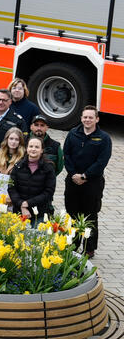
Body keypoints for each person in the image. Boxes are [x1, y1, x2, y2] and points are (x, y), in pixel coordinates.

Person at [63, 105, 111, 259]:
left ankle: (89, 248)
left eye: (91, 117)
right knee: (72, 214)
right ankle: (73, 244)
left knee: (90, 215)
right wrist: (74, 174)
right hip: (72, 181)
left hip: (92, 183)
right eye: (85, 117)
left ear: (97, 119)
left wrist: (85, 176)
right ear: (81, 118)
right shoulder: (72, 134)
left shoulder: (104, 138)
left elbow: (102, 161)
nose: (87, 120)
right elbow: (67, 155)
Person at [9, 136, 57, 227]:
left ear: (42, 150)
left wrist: (27, 204)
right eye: (31, 146)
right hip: (20, 212)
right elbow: (11, 188)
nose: (33, 149)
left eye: (37, 147)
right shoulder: (18, 166)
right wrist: (21, 205)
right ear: (26, 149)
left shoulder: (48, 168)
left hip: (39, 213)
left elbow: (49, 192)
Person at [0, 127, 26, 196]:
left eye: (16, 139)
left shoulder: (23, 160)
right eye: (11, 139)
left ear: (20, 142)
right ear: (7, 140)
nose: (13, 142)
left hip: (13, 197)